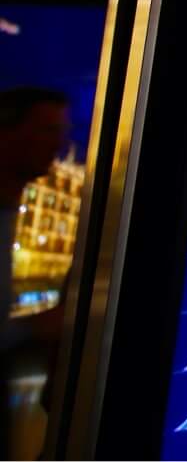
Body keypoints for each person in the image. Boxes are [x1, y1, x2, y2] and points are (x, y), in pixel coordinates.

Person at [2, 88, 72, 453]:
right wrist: (39, 327)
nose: (57, 144)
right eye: (47, 130)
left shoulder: (12, 211)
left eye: (61, 132)